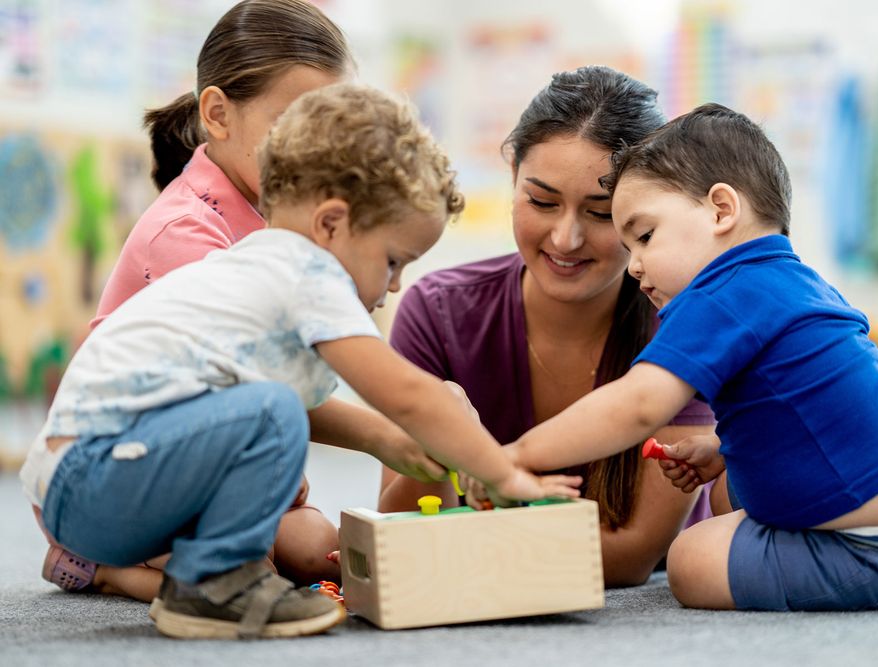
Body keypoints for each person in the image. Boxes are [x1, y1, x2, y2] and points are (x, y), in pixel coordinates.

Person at [20, 83, 581, 639]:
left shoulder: (260, 267)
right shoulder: (307, 273)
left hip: (83, 495)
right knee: (272, 414)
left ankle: (204, 580)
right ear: (331, 224)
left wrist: (393, 443)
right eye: (391, 260)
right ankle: (216, 587)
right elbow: (408, 394)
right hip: (95, 482)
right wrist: (502, 472)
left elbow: (326, 409)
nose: (394, 285)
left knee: (276, 419)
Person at [506, 102, 878, 611]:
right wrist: (722, 446)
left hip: (872, 550)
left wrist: (518, 455)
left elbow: (637, 405)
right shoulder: (794, 280)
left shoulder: (718, 294)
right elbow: (811, 410)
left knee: (691, 559)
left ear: (721, 210)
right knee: (730, 483)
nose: (635, 267)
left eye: (646, 236)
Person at [37, 0, 354, 601]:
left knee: (318, 548)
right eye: (295, 130)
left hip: (198, 451)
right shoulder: (184, 232)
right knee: (242, 563)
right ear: (218, 114)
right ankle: (102, 565)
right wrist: (389, 433)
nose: (318, 157)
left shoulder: (274, 216)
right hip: (110, 466)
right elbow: (255, 391)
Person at [380, 66, 717, 587]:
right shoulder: (436, 310)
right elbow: (404, 529)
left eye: (601, 213)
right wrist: (442, 440)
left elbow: (630, 558)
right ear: (512, 171)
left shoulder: (686, 318)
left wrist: (471, 531)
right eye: (541, 201)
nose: (565, 238)